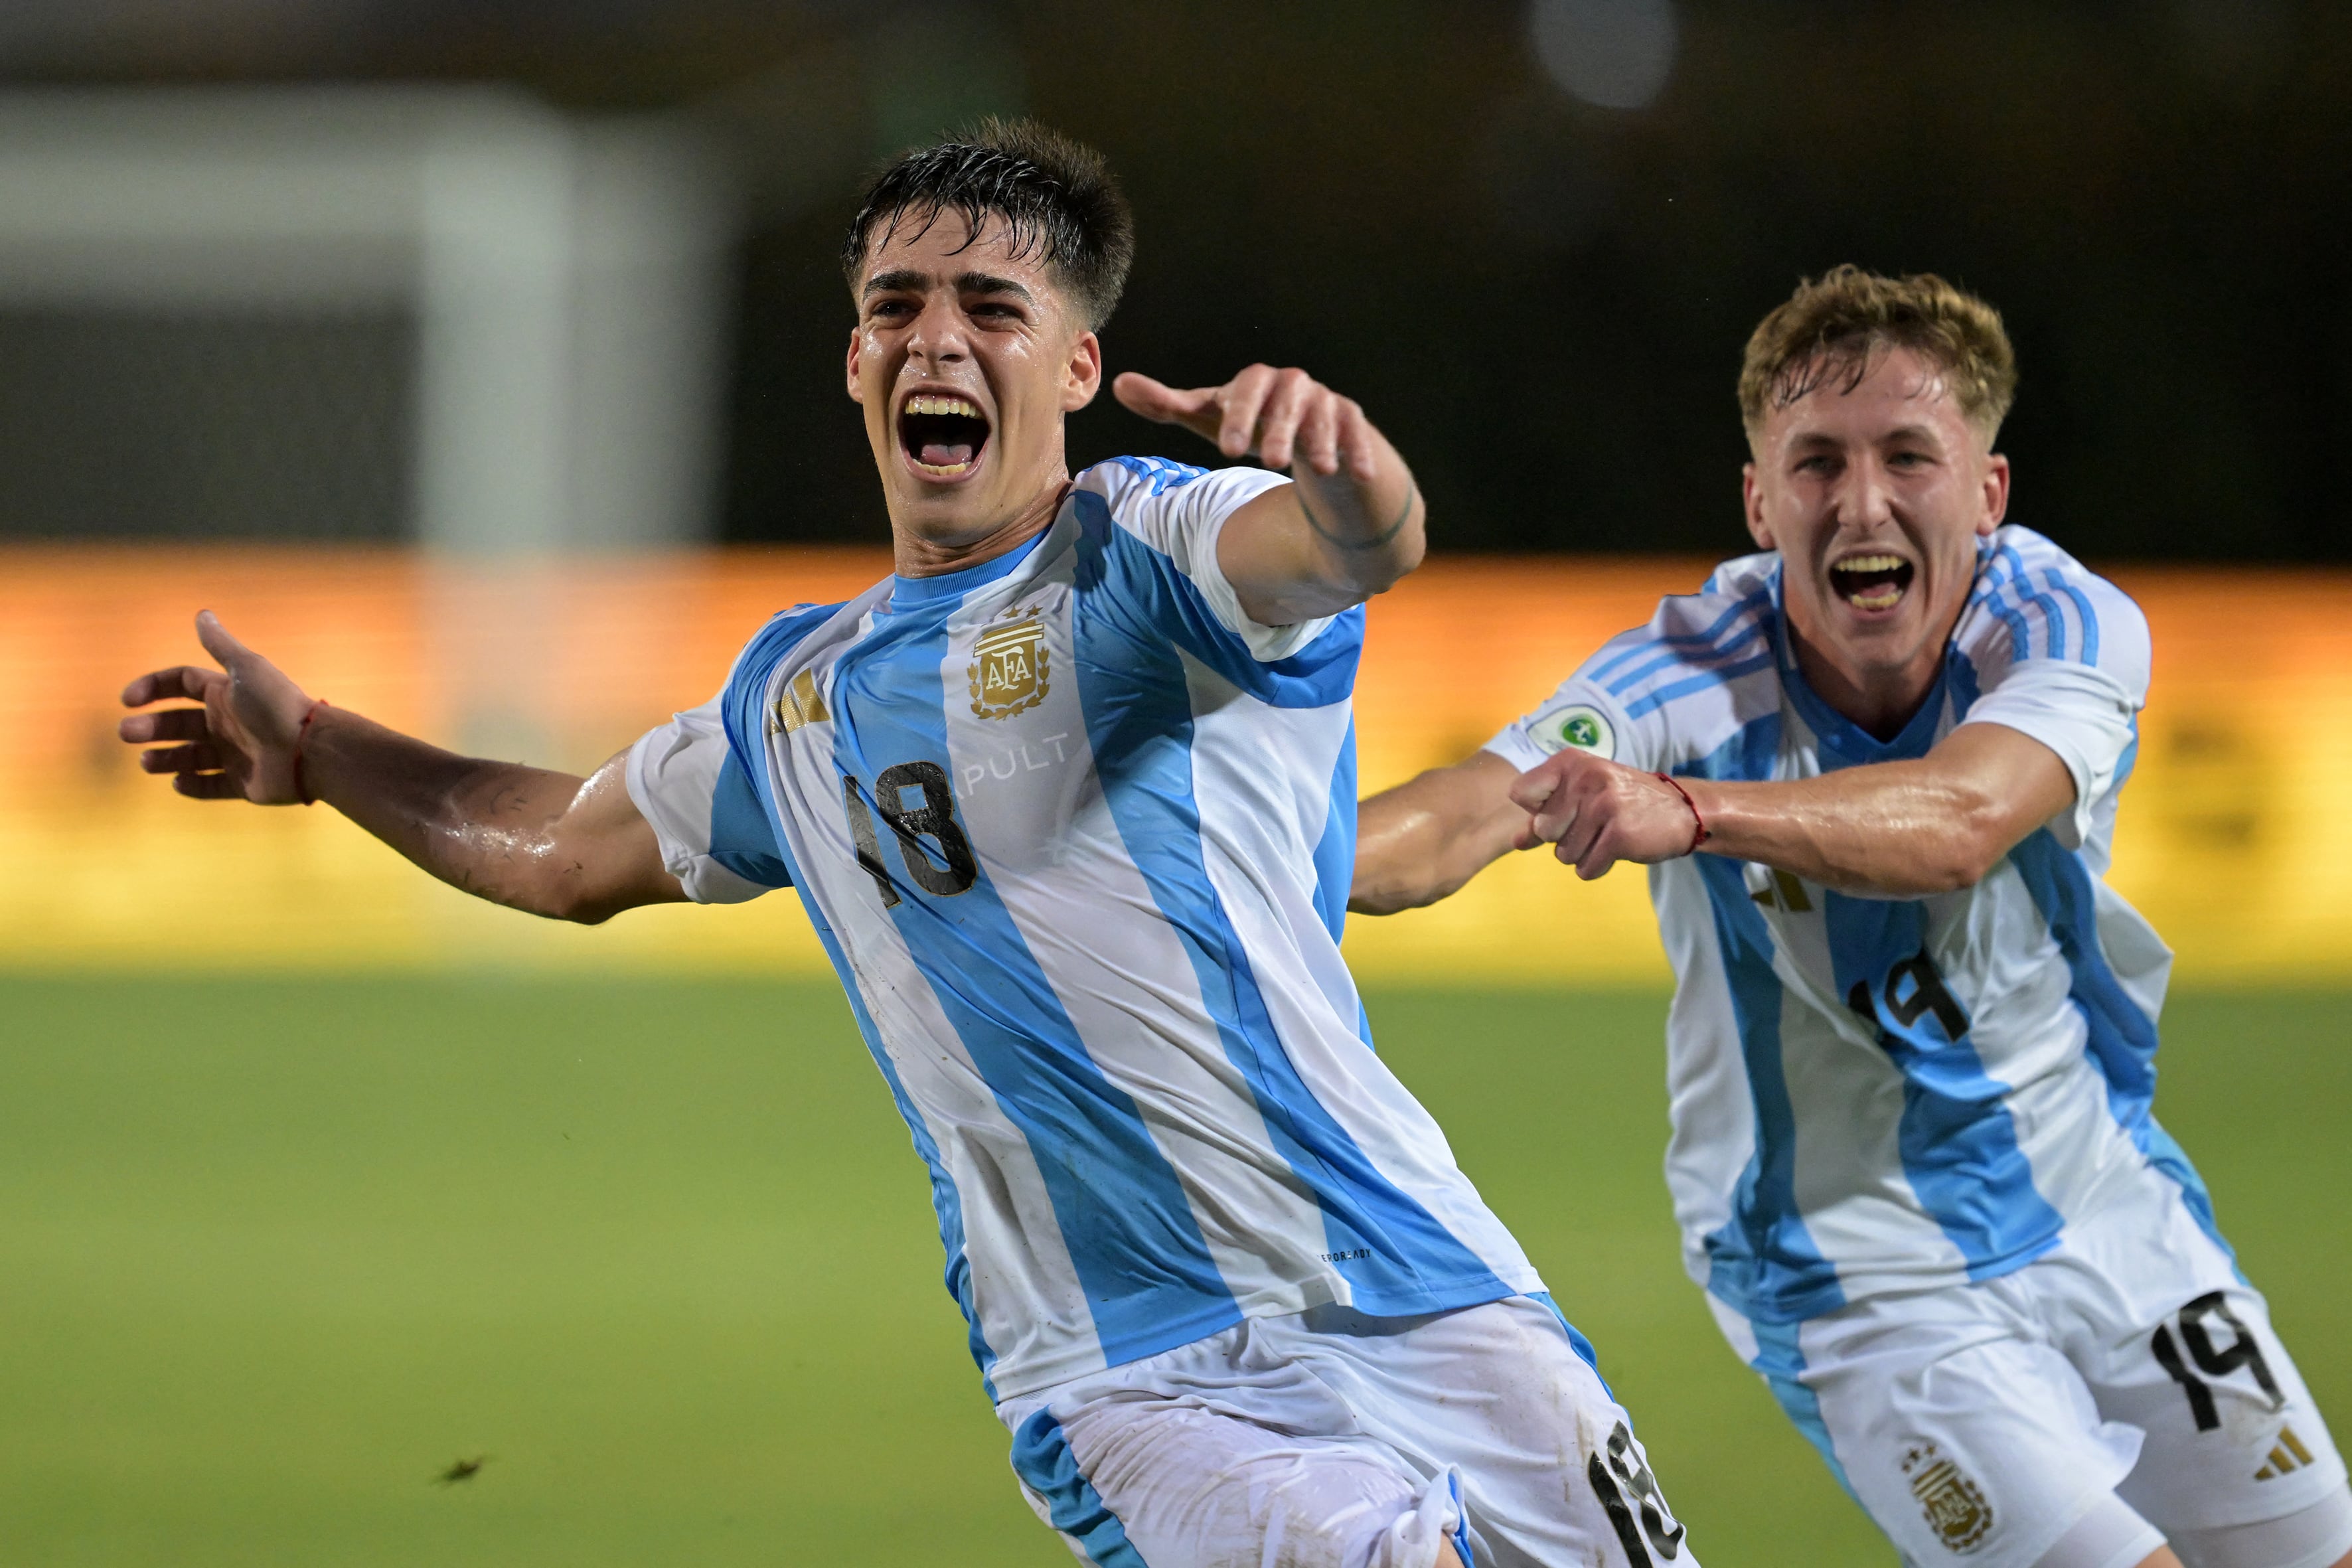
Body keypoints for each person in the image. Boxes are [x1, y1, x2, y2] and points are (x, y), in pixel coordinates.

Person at [120, 120, 1694, 1568]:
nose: (935, 335)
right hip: (1122, 1370)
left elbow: (1353, 544)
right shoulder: (795, 698)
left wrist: (1344, 470)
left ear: (1078, 365)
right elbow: (560, 850)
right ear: (856, 361)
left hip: (1417, 1279)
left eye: (990, 308)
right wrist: (326, 748)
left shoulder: (1148, 552)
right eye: (897, 303)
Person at [1352, 265, 2351, 1568]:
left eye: (1906, 455)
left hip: (2096, 1194)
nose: (1860, 500)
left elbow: (1956, 820)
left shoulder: (2060, 620)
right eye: (1814, 463)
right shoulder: (1684, 668)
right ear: (1759, 502)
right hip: (1847, 1265)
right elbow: (1471, 809)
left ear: (1985, 494)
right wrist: (1237, 870)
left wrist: (1693, 810)